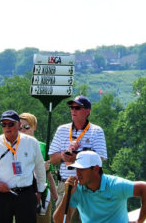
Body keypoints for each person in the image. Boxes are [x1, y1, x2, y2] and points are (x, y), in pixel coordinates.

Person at [0, 110, 46, 223]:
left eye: (11, 124)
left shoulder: (31, 143)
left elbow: (40, 168)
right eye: (3, 124)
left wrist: (39, 191)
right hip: (1, 195)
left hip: (25, 194)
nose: (7, 127)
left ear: (19, 125)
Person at [53, 150, 146, 223]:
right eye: (77, 169)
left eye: (82, 169)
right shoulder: (76, 189)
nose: (78, 173)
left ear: (96, 168)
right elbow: (59, 221)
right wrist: (67, 195)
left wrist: (139, 221)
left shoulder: (115, 185)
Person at [49, 95, 107, 223]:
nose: (73, 110)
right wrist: (64, 155)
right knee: (60, 220)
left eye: (77, 108)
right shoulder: (62, 130)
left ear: (87, 111)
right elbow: (52, 159)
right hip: (65, 184)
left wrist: (77, 156)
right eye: (71, 107)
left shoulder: (96, 131)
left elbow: (100, 158)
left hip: (87, 187)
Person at [19, 112, 58, 223]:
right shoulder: (14, 147)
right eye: (20, 127)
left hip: (43, 195)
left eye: (27, 127)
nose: (23, 130)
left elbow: (48, 175)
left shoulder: (43, 147)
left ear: (34, 127)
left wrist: (56, 197)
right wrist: (39, 168)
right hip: (23, 194)